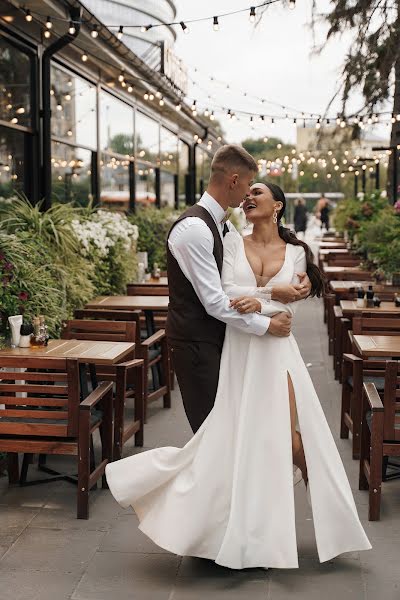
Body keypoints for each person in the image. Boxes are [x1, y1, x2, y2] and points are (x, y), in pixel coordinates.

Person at [105, 180, 371, 570]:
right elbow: (227, 293)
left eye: (257, 192)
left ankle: (334, 524)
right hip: (241, 349)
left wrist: (268, 299)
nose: (248, 198)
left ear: (277, 205)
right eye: (246, 194)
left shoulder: (297, 251)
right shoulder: (231, 241)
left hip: (279, 351)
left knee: (294, 439)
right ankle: (252, 535)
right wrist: (270, 300)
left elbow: (290, 311)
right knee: (250, 440)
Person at [165, 144, 310, 433]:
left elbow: (241, 279)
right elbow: (215, 301)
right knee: (212, 436)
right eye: (246, 185)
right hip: (196, 345)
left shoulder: (225, 228)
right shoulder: (194, 229)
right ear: (233, 180)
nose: (247, 195)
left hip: (224, 343)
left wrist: (292, 286)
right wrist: (267, 323)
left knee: (232, 433)